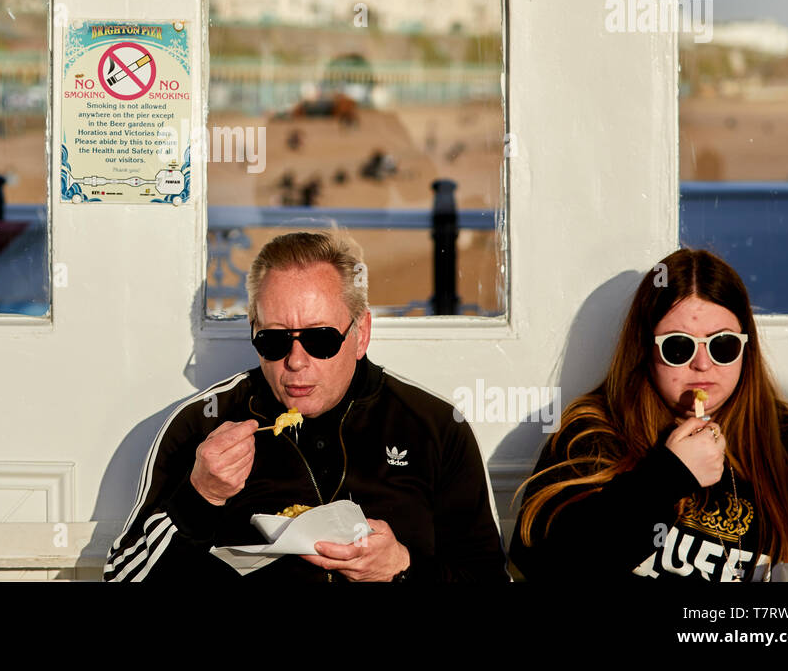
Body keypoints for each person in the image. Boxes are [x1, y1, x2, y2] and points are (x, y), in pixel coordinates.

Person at [103, 230, 508, 582]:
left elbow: (488, 576)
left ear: (361, 333)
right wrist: (200, 496)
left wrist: (401, 568)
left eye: (320, 339)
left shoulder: (433, 427)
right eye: (274, 340)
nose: (296, 361)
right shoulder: (202, 425)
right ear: (253, 333)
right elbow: (124, 575)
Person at [510, 248, 788, 581]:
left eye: (723, 344)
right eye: (678, 345)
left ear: (746, 348)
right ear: (644, 349)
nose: (702, 364)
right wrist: (666, 477)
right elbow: (545, 567)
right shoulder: (593, 435)